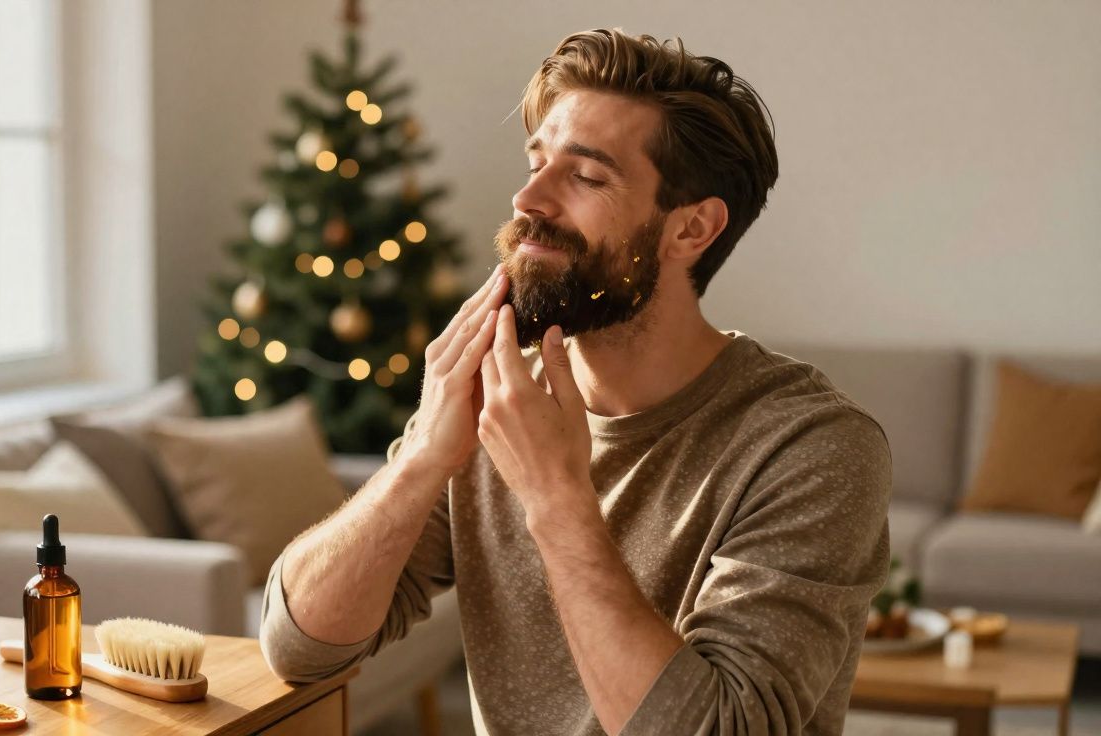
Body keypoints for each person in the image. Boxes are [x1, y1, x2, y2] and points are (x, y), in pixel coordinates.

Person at [261, 28, 891, 736]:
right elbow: (299, 649)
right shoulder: (494, 401)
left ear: (691, 230)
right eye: (536, 163)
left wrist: (556, 496)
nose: (528, 197)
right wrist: (421, 462)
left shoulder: (811, 446)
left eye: (587, 176)